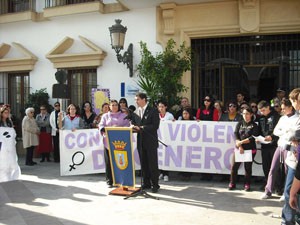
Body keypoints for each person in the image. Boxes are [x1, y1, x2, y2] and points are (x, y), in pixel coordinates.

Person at [261, 99, 297, 199]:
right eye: (282, 109)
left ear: (290, 107)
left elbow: (294, 134)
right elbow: (276, 131)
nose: (283, 110)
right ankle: (268, 191)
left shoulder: (297, 118)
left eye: (284, 108)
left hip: (289, 147)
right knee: (272, 168)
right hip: (280, 145)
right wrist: (286, 131)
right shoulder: (282, 118)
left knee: (287, 171)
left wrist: (286, 132)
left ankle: (286, 193)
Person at [99, 99, 130, 188]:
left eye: (116, 105)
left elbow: (128, 125)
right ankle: (109, 180)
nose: (114, 107)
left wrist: (119, 128)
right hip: (108, 142)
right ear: (109, 106)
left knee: (120, 161)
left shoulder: (124, 115)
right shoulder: (105, 116)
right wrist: (108, 129)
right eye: (112, 105)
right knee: (109, 162)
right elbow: (101, 125)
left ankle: (120, 180)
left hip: (120, 143)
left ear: (118, 106)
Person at [133, 92, 160, 193]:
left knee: (152, 164)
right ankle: (146, 182)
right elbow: (135, 123)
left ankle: (155, 184)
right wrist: (134, 127)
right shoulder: (136, 111)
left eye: (138, 99)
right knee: (143, 164)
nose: (136, 101)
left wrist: (142, 127)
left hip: (150, 141)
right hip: (140, 141)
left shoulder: (153, 110)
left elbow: (155, 126)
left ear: (144, 99)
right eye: (135, 100)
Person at [228, 107, 259, 191]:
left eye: (248, 114)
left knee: (247, 168)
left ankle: (247, 184)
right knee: (234, 167)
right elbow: (236, 134)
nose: (246, 116)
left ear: (251, 115)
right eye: (244, 114)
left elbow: (252, 138)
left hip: (250, 149)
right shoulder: (240, 123)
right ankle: (232, 183)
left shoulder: (255, 125)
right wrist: (240, 146)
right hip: (239, 149)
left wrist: (241, 143)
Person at [257, 100, 281, 185]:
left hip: (274, 145)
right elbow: (259, 130)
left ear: (268, 107)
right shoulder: (261, 118)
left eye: (263, 110)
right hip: (264, 146)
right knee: (266, 167)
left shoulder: (276, 116)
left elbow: (280, 130)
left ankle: (278, 187)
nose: (262, 112)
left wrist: (272, 137)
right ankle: (268, 185)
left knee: (275, 167)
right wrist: (258, 138)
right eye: (260, 111)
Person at [0, 105, 21, 182]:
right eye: (5, 113)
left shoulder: (9, 122)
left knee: (12, 162)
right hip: (2, 146)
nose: (7, 114)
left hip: (10, 145)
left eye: (8, 113)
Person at [157, 100, 174, 182]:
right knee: (159, 156)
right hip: (158, 139)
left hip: (167, 140)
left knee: (166, 157)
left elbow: (174, 126)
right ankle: (161, 173)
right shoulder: (156, 116)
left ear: (166, 107)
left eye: (162, 107)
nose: (161, 108)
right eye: (159, 107)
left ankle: (166, 174)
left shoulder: (169, 116)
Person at [178, 107, 195, 180]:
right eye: (183, 114)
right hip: (182, 143)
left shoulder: (193, 120)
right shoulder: (180, 121)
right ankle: (182, 174)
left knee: (189, 159)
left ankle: (188, 175)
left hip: (190, 143)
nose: (185, 115)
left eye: (186, 113)